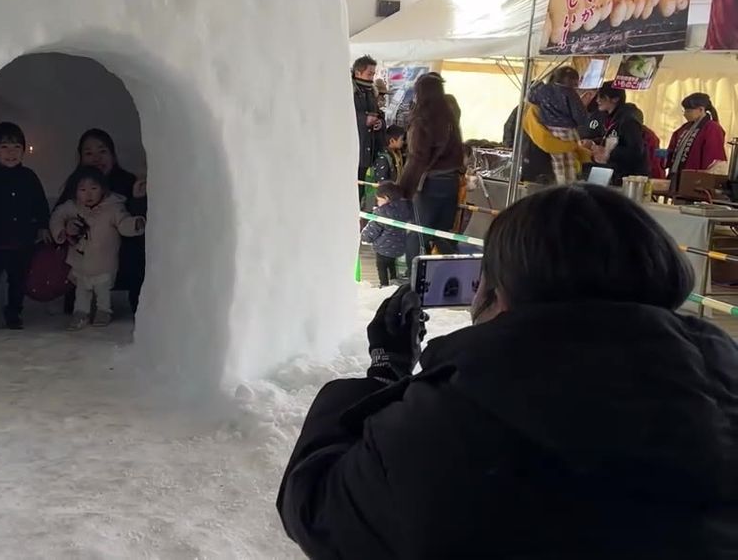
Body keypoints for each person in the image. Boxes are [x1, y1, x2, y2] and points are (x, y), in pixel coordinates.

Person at [279, 184, 738, 559]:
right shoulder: (722, 394)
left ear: (498, 292)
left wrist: (384, 377)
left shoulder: (452, 421)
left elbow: (319, 507)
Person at [56, 129, 148, 313]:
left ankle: (138, 302)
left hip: (118, 256)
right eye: (89, 153)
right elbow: (59, 215)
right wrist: (67, 228)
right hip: (85, 256)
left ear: (112, 155)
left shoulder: (128, 182)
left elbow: (138, 222)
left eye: (102, 151)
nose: (96, 158)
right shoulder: (75, 185)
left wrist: (138, 199)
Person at [0, 122, 50, 330]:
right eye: (4, 147)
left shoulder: (29, 177)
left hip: (22, 243)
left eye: (16, 147)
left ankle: (14, 313)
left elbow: (40, 203)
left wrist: (43, 226)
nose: (11, 152)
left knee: (18, 283)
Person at [50, 166, 146, 330]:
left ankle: (103, 311)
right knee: (82, 290)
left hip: (104, 262)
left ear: (102, 188)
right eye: (83, 190)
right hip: (80, 262)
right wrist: (62, 230)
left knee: (102, 290)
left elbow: (123, 223)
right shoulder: (71, 207)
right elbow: (57, 216)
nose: (89, 194)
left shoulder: (113, 207)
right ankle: (81, 312)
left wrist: (135, 224)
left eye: (94, 188)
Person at [399, 74, 464, 259]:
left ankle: (414, 279)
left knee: (419, 234)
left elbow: (418, 158)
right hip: (450, 182)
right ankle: (439, 278)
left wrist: (403, 189)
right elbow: (459, 151)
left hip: (428, 184)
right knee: (442, 235)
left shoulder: (422, 118)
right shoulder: (450, 115)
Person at [527, 66, 590, 184]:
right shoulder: (570, 93)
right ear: (571, 81)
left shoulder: (543, 90)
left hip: (549, 131)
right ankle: (570, 183)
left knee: (558, 161)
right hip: (567, 130)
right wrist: (581, 123)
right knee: (570, 159)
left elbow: (531, 97)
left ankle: (561, 182)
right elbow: (580, 115)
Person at [587, 81, 649, 183]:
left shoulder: (628, 120)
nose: (597, 100)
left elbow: (636, 151)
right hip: (613, 173)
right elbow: (613, 139)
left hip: (628, 177)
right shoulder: (610, 118)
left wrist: (608, 152)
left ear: (615, 99)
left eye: (602, 97)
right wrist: (593, 143)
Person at [667, 93, 728, 182]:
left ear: (701, 109)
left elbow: (714, 158)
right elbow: (672, 147)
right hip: (678, 176)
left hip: (696, 180)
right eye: (684, 111)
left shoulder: (712, 128)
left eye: (688, 111)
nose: (685, 114)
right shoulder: (685, 128)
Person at [360, 181, 411, 288]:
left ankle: (384, 284)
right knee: (391, 263)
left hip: (383, 249)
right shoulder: (404, 208)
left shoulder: (381, 213)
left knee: (381, 266)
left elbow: (372, 231)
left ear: (386, 198)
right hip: (399, 247)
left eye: (379, 200)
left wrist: (363, 236)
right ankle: (393, 279)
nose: (377, 202)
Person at [352, 55, 383, 201]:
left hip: (368, 150)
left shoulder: (371, 92)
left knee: (363, 190)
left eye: (373, 74)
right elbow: (340, 114)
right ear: (358, 73)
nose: (371, 77)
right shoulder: (348, 92)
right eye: (369, 73)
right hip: (353, 149)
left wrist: (379, 122)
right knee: (353, 189)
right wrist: (364, 119)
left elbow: (379, 113)